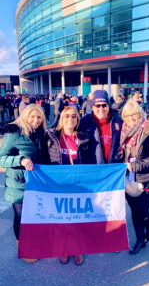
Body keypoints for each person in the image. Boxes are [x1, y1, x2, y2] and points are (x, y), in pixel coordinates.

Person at [0, 104, 49, 262]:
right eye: (32, 117)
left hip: (35, 182)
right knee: (21, 216)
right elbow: (1, 158)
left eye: (39, 117)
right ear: (25, 116)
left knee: (34, 215)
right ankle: (23, 247)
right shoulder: (14, 133)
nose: (35, 120)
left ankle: (33, 242)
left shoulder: (41, 133)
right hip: (18, 183)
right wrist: (20, 159)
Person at [117, 100, 149, 254]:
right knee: (134, 210)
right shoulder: (123, 130)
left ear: (139, 113)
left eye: (134, 115)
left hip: (147, 177)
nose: (131, 119)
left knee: (142, 211)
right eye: (127, 116)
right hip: (128, 177)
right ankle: (140, 240)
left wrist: (136, 166)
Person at [47, 106, 92, 265]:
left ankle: (77, 248)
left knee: (78, 218)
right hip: (60, 185)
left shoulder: (84, 137)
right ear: (62, 118)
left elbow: (90, 161)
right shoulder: (52, 137)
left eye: (74, 116)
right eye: (67, 116)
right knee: (62, 219)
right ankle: (64, 248)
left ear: (77, 119)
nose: (70, 118)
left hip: (79, 185)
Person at [79, 90, 122, 164]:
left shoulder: (118, 121)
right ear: (92, 106)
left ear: (108, 106)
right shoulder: (83, 122)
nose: (101, 109)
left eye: (104, 105)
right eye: (97, 105)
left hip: (113, 168)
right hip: (93, 169)